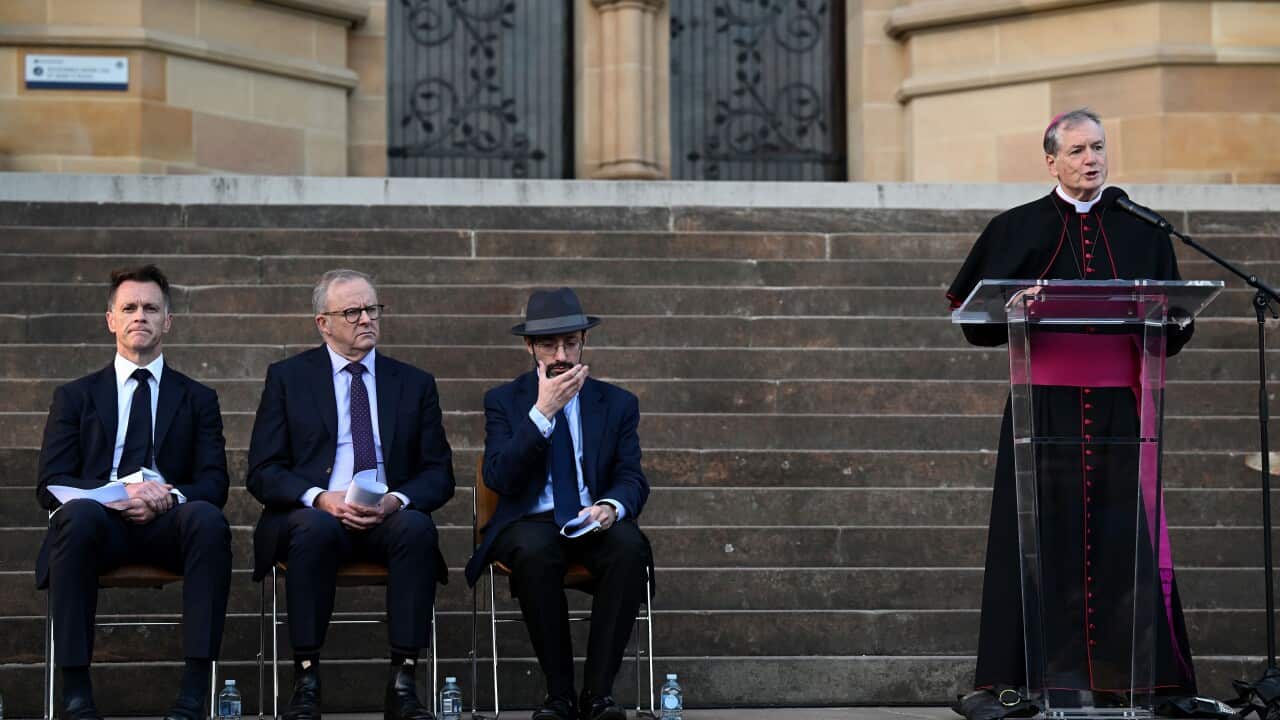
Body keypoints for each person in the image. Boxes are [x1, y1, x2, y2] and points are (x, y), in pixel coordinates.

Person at [947, 109, 1201, 720]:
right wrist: (1013, 306)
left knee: (1122, 539)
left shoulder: (1142, 228)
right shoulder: (1016, 227)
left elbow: (1172, 327)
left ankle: (1134, 680)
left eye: (1099, 147)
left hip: (1120, 408)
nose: (1093, 159)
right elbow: (973, 324)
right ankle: (1016, 681)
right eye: (1080, 149)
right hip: (1044, 405)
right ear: (1052, 161)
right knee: (1030, 538)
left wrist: (1169, 317)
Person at [246, 269, 455, 720]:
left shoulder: (413, 383)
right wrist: (320, 497)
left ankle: (403, 681)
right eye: (353, 311)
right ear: (323, 323)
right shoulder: (288, 378)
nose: (366, 319)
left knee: (417, 528)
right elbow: (262, 472)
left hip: (387, 517)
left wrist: (395, 500)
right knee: (313, 529)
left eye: (372, 309)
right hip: (317, 516)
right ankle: (306, 677)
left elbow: (439, 474)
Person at [36, 265, 232, 720]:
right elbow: (50, 484)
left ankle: (192, 695)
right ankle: (77, 697)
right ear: (111, 319)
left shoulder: (198, 398)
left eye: (150, 308)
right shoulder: (75, 397)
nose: (139, 316)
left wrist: (168, 495)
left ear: (168, 321)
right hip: (100, 527)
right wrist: (124, 490)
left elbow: (214, 483)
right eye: (129, 307)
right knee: (76, 517)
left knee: (207, 519)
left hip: (170, 527)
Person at [465, 287, 652, 720]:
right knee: (535, 551)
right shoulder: (505, 401)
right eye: (549, 344)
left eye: (570, 342)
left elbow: (631, 478)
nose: (561, 353)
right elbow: (499, 477)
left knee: (629, 547)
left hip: (590, 518)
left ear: (583, 342)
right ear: (530, 346)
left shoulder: (618, 403)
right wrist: (541, 413)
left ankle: (599, 695)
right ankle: (559, 695)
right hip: (530, 519)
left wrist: (610, 506)